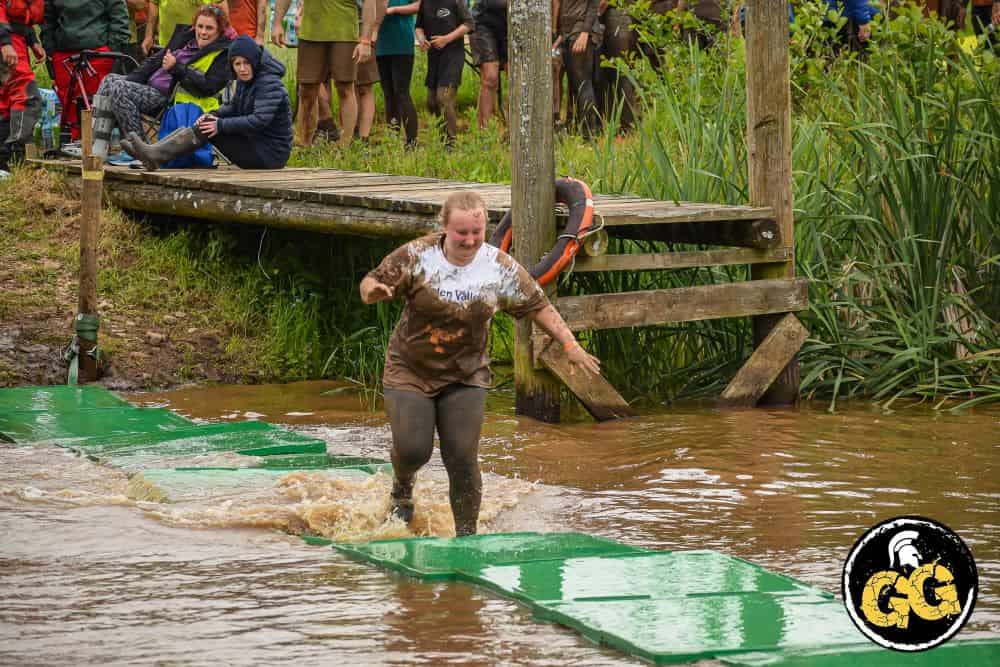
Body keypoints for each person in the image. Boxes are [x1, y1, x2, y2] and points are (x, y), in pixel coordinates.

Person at [359, 191, 602, 537]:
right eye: (462, 233)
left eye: (477, 232)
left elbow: (538, 305)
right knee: (415, 450)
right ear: (444, 228)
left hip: (466, 373)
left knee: (461, 458)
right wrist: (373, 293)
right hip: (411, 369)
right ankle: (402, 485)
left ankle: (467, 536)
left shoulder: (497, 266)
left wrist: (570, 344)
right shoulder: (418, 255)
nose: (470, 240)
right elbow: (371, 279)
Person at [122, 35, 293, 170]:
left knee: (211, 127)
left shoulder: (268, 83)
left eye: (246, 63)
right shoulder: (246, 79)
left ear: (255, 61)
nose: (242, 68)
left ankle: (155, 155)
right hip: (255, 143)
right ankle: (154, 153)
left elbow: (259, 120)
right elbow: (234, 107)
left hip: (270, 155)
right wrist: (213, 115)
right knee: (207, 122)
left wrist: (220, 125)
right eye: (237, 64)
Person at [91, 5, 233, 160]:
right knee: (110, 79)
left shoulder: (223, 53)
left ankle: (139, 151)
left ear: (219, 31)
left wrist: (176, 68)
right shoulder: (185, 39)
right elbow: (155, 61)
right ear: (194, 26)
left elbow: (208, 87)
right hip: (151, 88)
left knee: (119, 88)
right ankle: (97, 146)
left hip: (172, 101)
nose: (203, 32)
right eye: (200, 26)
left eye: (209, 28)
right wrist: (133, 79)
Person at [272, 0, 377, 147]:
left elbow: (369, 3)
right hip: (311, 32)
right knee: (306, 90)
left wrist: (366, 40)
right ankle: (304, 144)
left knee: (345, 87)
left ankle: (345, 146)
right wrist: (277, 23)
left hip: (345, 33)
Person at [42, 0, 130, 143]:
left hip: (98, 52)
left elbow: (119, 18)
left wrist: (112, 49)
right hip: (64, 53)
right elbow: (47, 20)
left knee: (98, 103)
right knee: (69, 103)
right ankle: (75, 143)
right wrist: (51, 50)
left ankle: (99, 145)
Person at [415, 0, 472, 145]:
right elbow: (419, 27)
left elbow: (468, 24)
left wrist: (446, 39)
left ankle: (451, 142)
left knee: (443, 97)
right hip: (434, 57)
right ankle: (442, 137)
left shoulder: (456, 2)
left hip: (453, 55)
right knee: (431, 102)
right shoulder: (425, 3)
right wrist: (422, 40)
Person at [0, 0, 44, 176]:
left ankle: (3, 164)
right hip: (7, 42)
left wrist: (33, 40)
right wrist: (5, 42)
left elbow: (19, 18)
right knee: (27, 97)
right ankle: (15, 156)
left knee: (4, 103)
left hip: (15, 39)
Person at [555, 0, 601, 137]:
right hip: (568, 32)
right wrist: (561, 34)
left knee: (583, 84)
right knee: (576, 85)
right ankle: (580, 129)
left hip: (581, 32)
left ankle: (589, 134)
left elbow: (594, 4)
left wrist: (585, 32)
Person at [376, 0, 418, 146]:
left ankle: (412, 141)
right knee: (388, 94)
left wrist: (394, 10)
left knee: (401, 92)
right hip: (380, 45)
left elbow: (419, 5)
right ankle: (392, 139)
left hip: (402, 44)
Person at [470, 0, 506, 130]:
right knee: (490, 78)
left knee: (515, 78)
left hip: (512, 21)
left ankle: (516, 131)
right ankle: (484, 132)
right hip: (484, 22)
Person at [144, 0, 231, 53]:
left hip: (200, 46)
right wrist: (148, 35)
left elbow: (223, 14)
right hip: (166, 44)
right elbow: (154, 4)